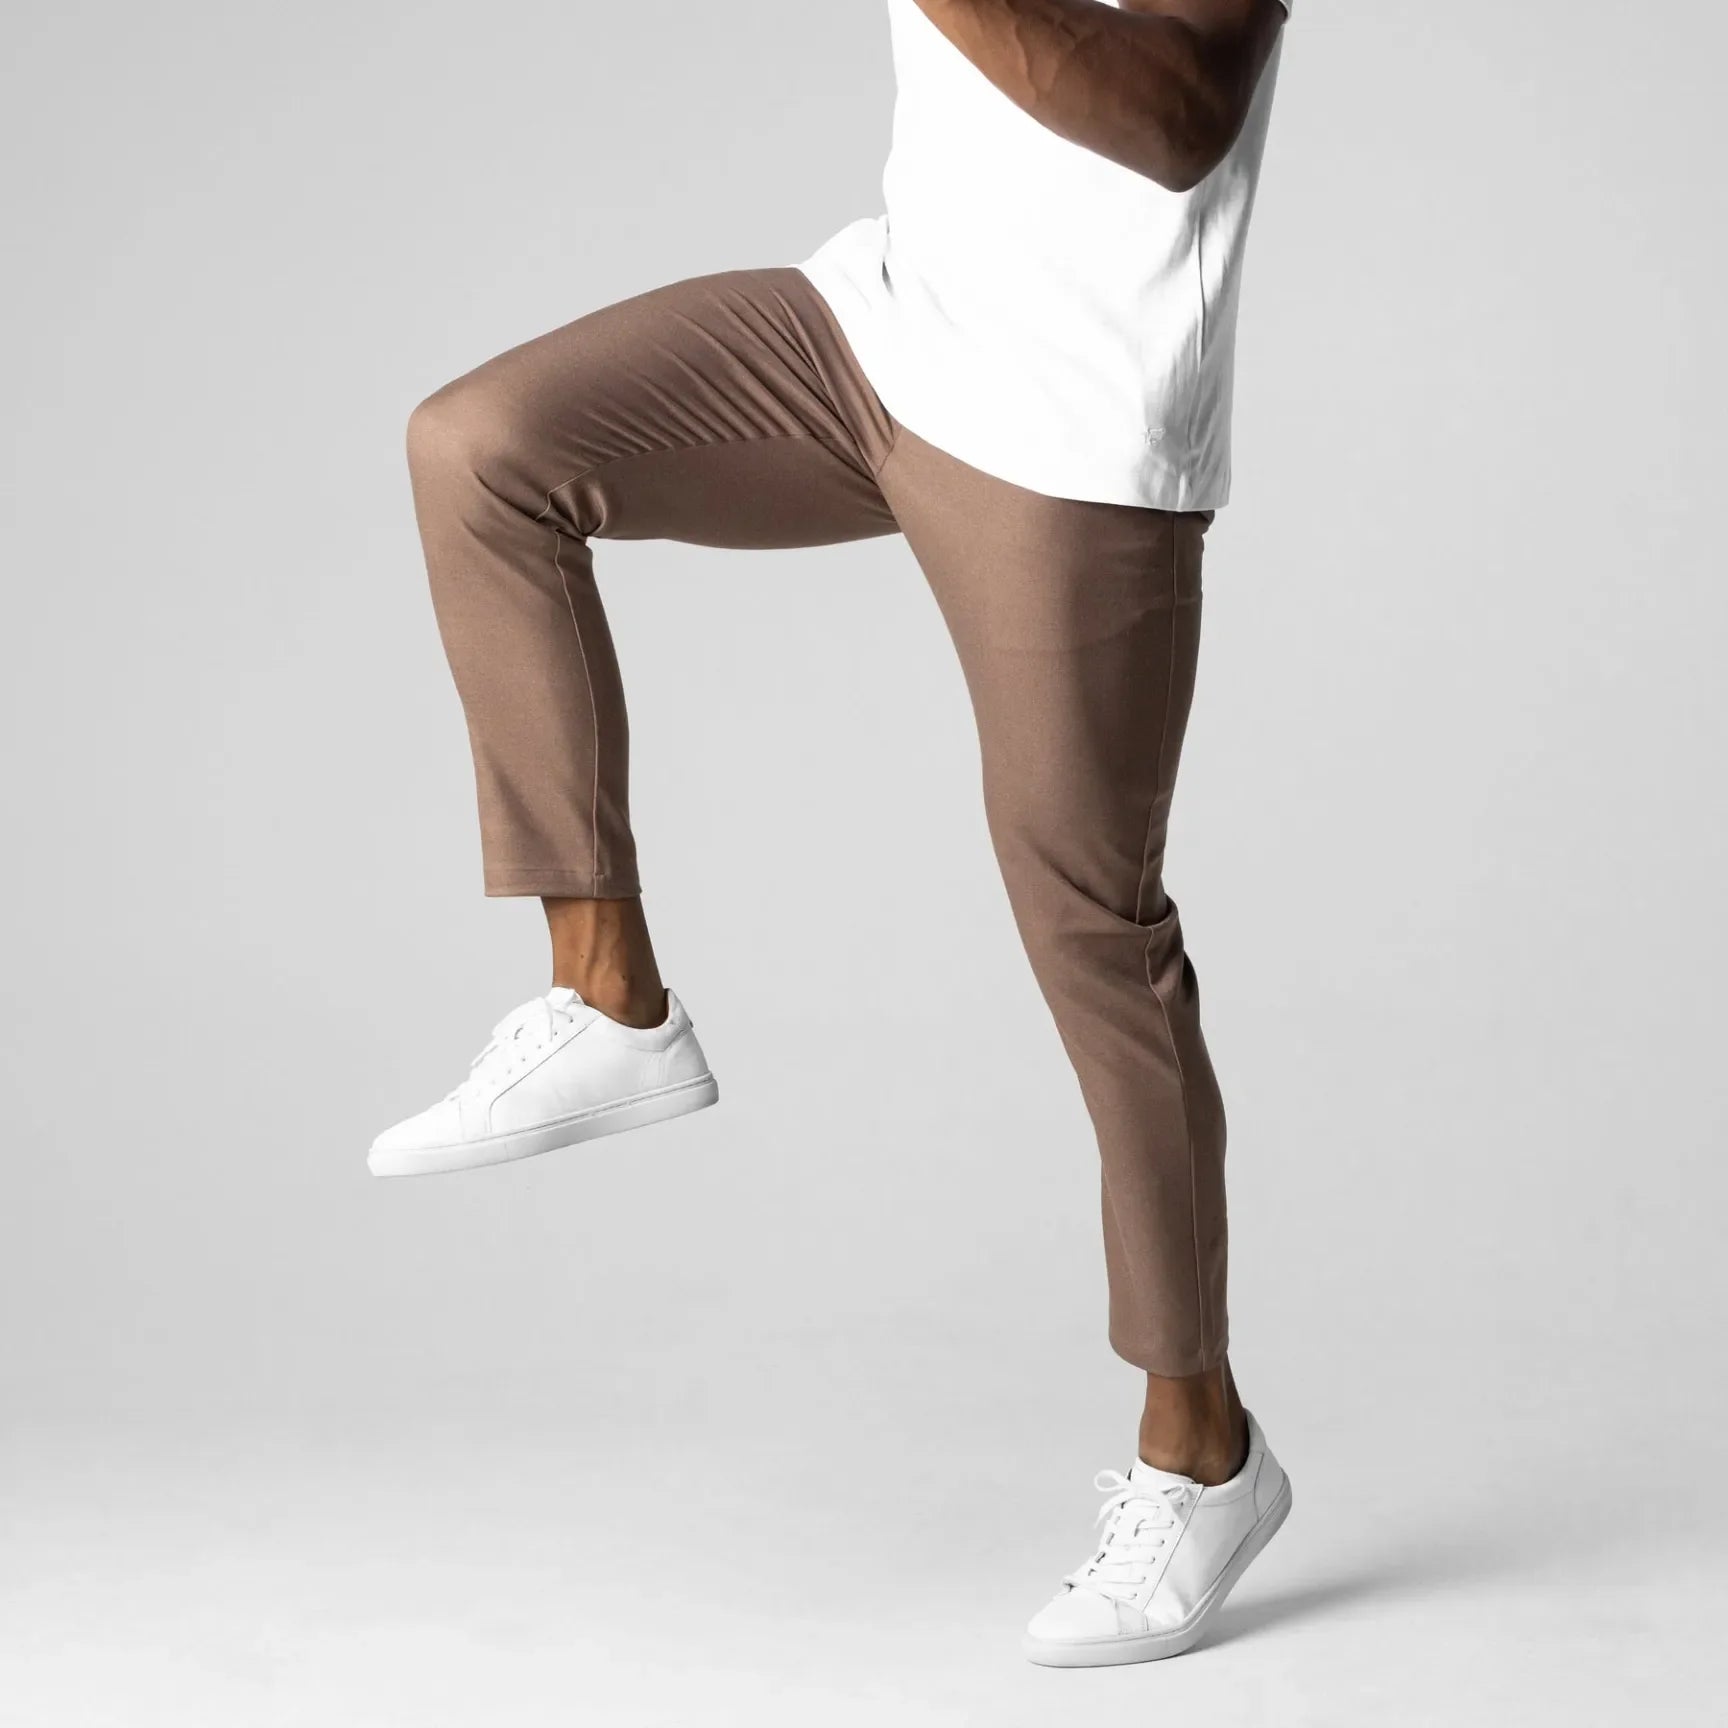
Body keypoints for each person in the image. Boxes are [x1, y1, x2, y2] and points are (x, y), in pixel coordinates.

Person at [371, 0, 1294, 1668]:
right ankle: (609, 997)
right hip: (876, 335)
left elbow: (1176, 114)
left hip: (1076, 438)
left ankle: (1204, 1452)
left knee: (1094, 928)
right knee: (484, 449)